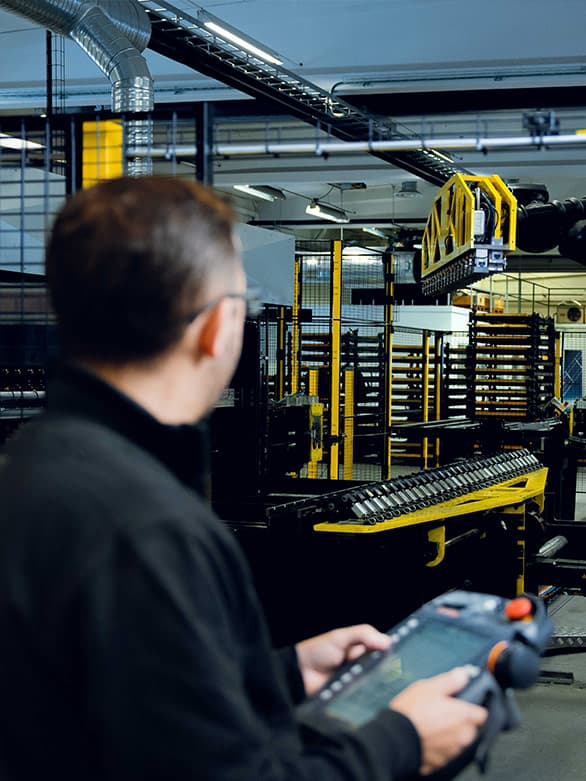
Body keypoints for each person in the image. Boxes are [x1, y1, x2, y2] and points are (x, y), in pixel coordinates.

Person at [0, 176, 486, 780]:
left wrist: (278, 676)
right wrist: (402, 742)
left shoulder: (34, 466)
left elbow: (124, 704)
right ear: (217, 326)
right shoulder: (151, 529)